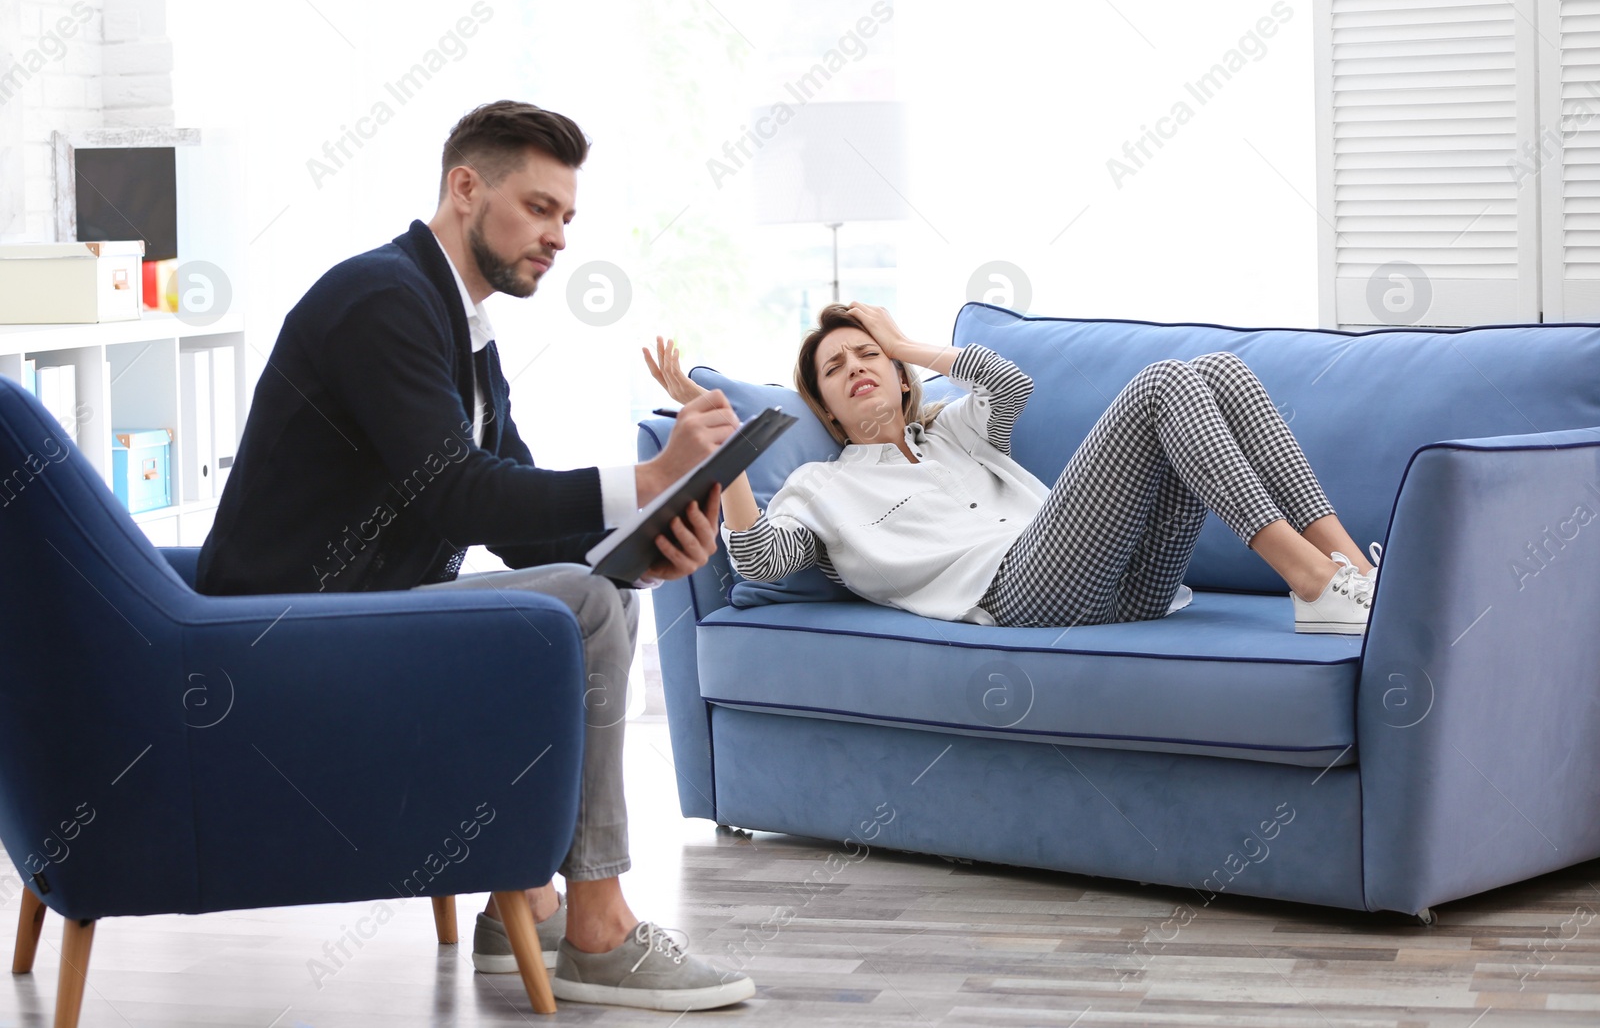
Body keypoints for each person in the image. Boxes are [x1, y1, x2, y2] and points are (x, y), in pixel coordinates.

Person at [197, 100, 755, 1011]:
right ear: (465, 187)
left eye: (567, 217)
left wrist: (640, 553)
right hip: (287, 635)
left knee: (600, 591)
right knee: (578, 600)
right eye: (540, 209)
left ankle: (524, 899)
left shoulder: (460, 326)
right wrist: (650, 478)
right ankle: (599, 924)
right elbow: (454, 491)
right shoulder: (383, 300)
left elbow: (521, 522)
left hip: (358, 615)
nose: (559, 237)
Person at [643, 302, 1380, 634]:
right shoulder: (823, 485)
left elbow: (1009, 383)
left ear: (902, 375)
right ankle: (1312, 582)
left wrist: (909, 344)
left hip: (1133, 589)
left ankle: (1348, 569)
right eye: (836, 368)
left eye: (868, 353)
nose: (856, 367)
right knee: (1164, 383)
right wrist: (725, 447)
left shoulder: (958, 430)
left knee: (1220, 370)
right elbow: (757, 561)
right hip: (1020, 590)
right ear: (828, 409)